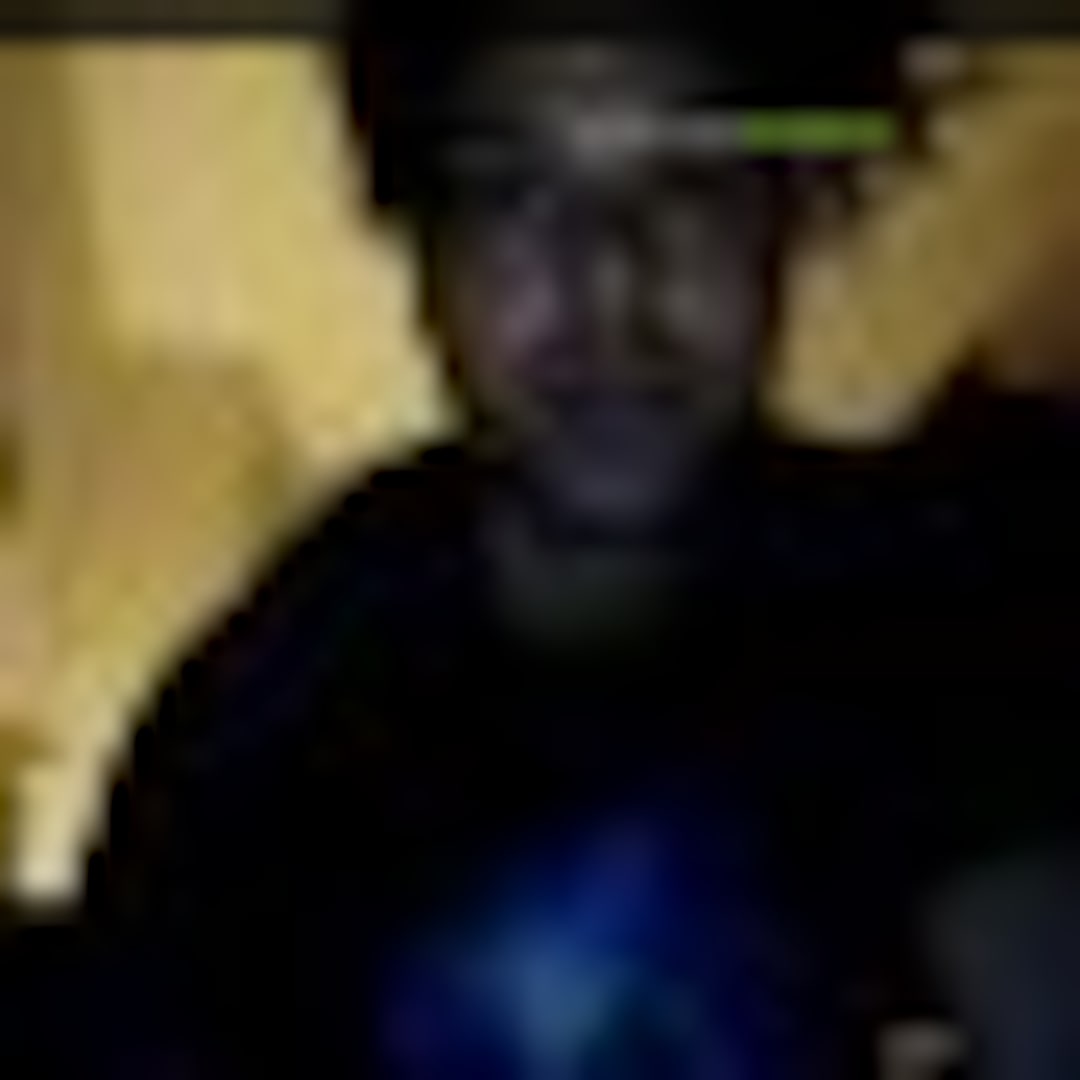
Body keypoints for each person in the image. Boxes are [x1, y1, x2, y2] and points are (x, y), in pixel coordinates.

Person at [69, 2, 1080, 1078]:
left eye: (688, 180)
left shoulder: (923, 602)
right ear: (423, 244)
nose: (611, 281)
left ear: (786, 205)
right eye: (514, 189)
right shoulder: (264, 719)